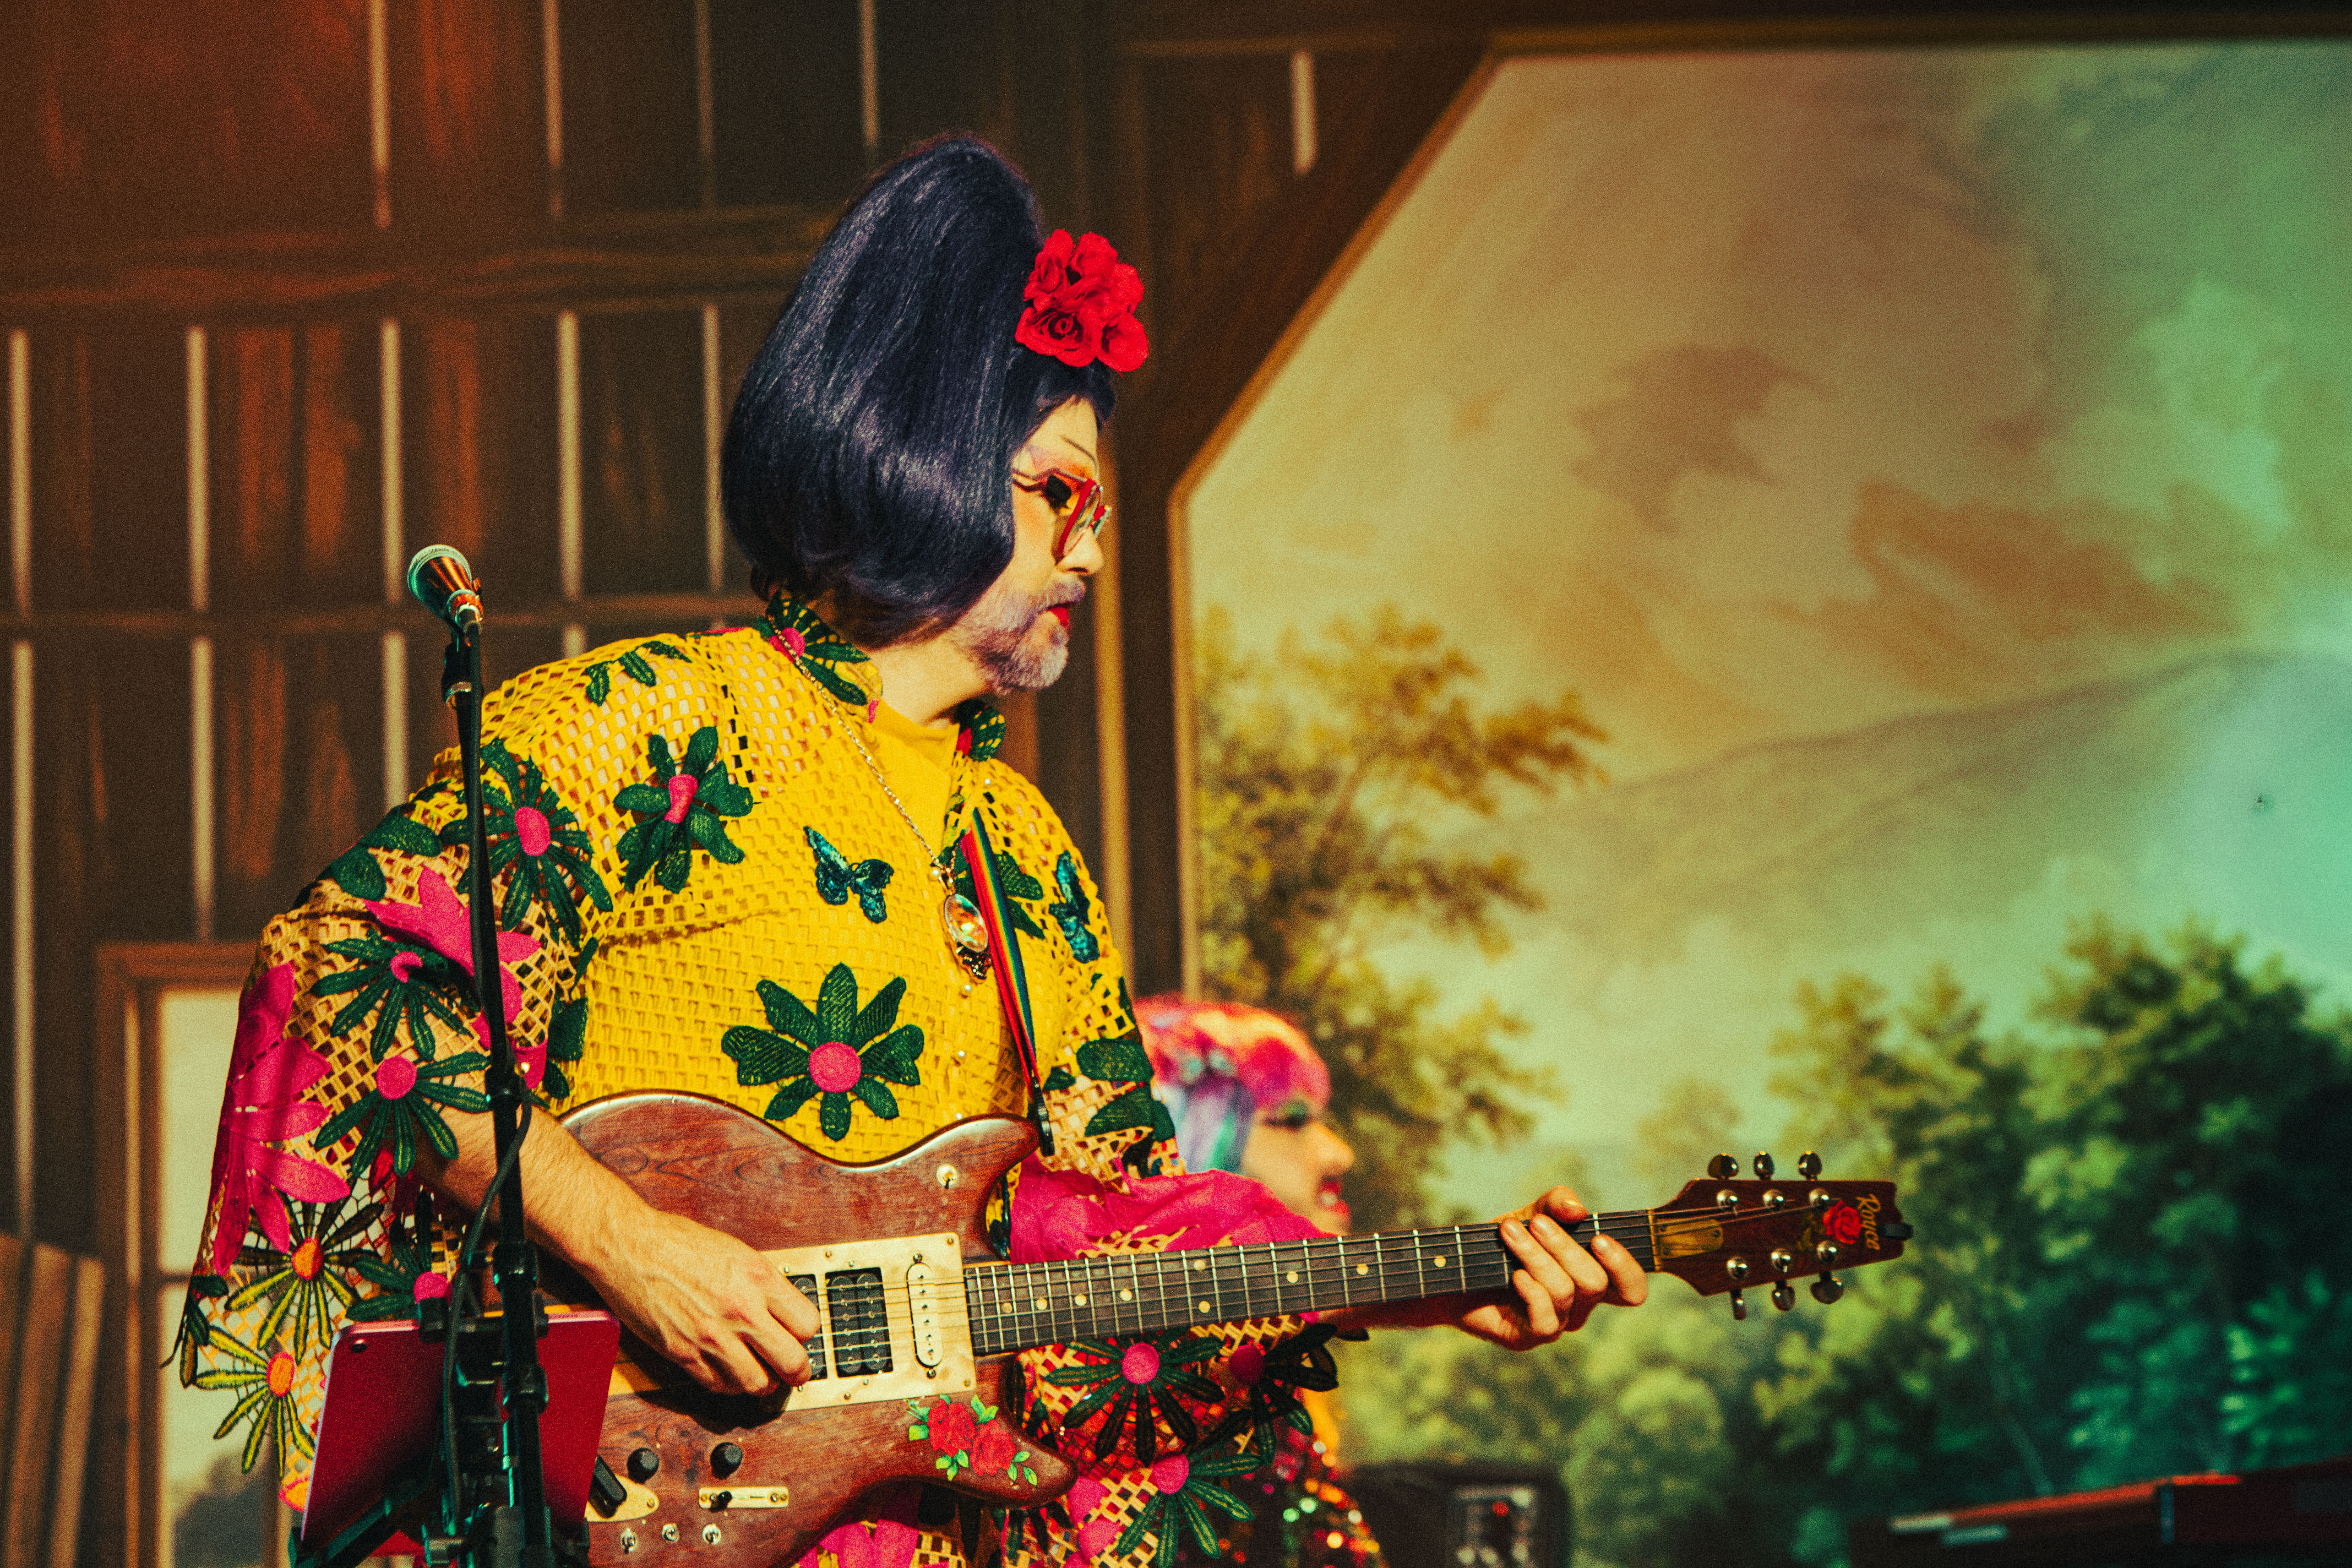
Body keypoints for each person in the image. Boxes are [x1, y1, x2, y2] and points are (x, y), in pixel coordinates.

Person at [179, 134, 1645, 1568]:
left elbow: (1110, 1245)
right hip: (619, 1513)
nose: (1090, 550)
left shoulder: (1025, 853)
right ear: (924, 450)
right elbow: (341, 984)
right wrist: (630, 1244)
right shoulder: (651, 726)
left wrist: (1427, 1287)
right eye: (1059, 491)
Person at [1138, 999, 1371, 1566]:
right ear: (1192, 1139)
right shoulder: (1159, 1394)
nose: (1339, 1153)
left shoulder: (1271, 1373)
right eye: (1290, 1121)